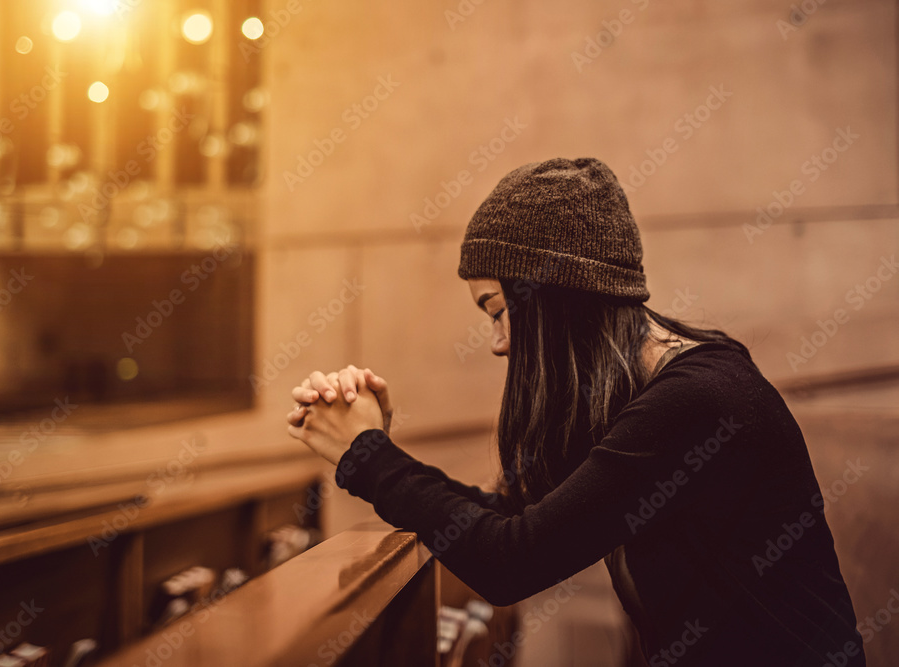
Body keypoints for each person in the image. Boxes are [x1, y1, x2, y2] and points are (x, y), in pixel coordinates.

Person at [286, 158, 864, 666]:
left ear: (551, 299)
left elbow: (511, 561)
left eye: (496, 311)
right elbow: (513, 519)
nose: (497, 343)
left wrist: (368, 456)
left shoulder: (696, 400)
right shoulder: (653, 393)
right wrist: (376, 448)